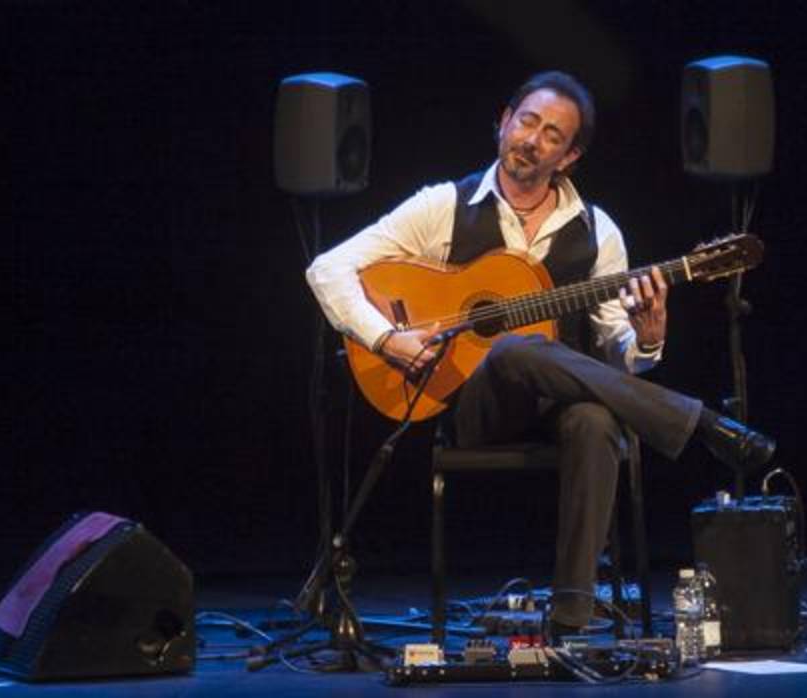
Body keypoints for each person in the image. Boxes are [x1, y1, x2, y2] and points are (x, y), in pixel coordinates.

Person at [306, 71, 774, 639]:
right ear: (504, 121)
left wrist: (647, 340)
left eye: (552, 134)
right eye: (526, 121)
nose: (532, 139)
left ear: (569, 157)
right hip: (475, 404)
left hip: (560, 406)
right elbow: (327, 268)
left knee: (596, 420)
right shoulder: (442, 206)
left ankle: (571, 617)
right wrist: (386, 339)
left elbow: (616, 355)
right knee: (514, 347)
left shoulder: (599, 232)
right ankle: (697, 422)